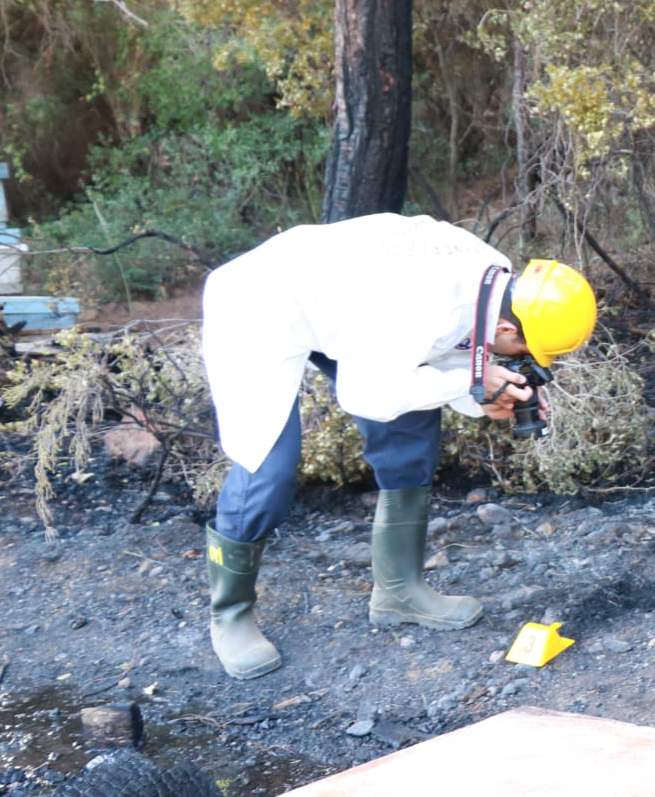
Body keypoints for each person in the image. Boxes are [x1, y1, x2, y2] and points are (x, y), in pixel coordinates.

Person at [199, 214, 597, 679]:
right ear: (509, 329)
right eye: (524, 354)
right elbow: (365, 395)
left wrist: (482, 396)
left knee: (410, 429)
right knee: (266, 466)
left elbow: (436, 358)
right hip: (258, 307)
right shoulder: (425, 303)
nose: (521, 362)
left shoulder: (493, 276)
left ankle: (399, 590)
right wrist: (470, 381)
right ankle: (229, 616)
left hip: (349, 309)